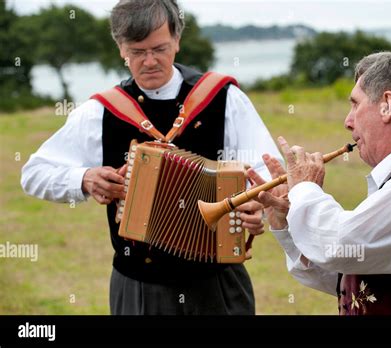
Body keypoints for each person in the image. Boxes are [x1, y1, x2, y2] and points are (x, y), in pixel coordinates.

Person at [21, 0, 282, 315]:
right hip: (139, 286)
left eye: (159, 49)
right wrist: (84, 179)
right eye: (137, 51)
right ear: (120, 49)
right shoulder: (100, 112)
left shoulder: (223, 97)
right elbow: (34, 174)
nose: (149, 62)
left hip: (218, 281)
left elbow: (266, 171)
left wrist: (258, 204)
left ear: (177, 41)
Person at [248, 52, 391, 317]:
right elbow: (350, 278)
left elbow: (340, 247)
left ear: (388, 104)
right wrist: (285, 220)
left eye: (355, 104)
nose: (348, 121)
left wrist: (305, 189)